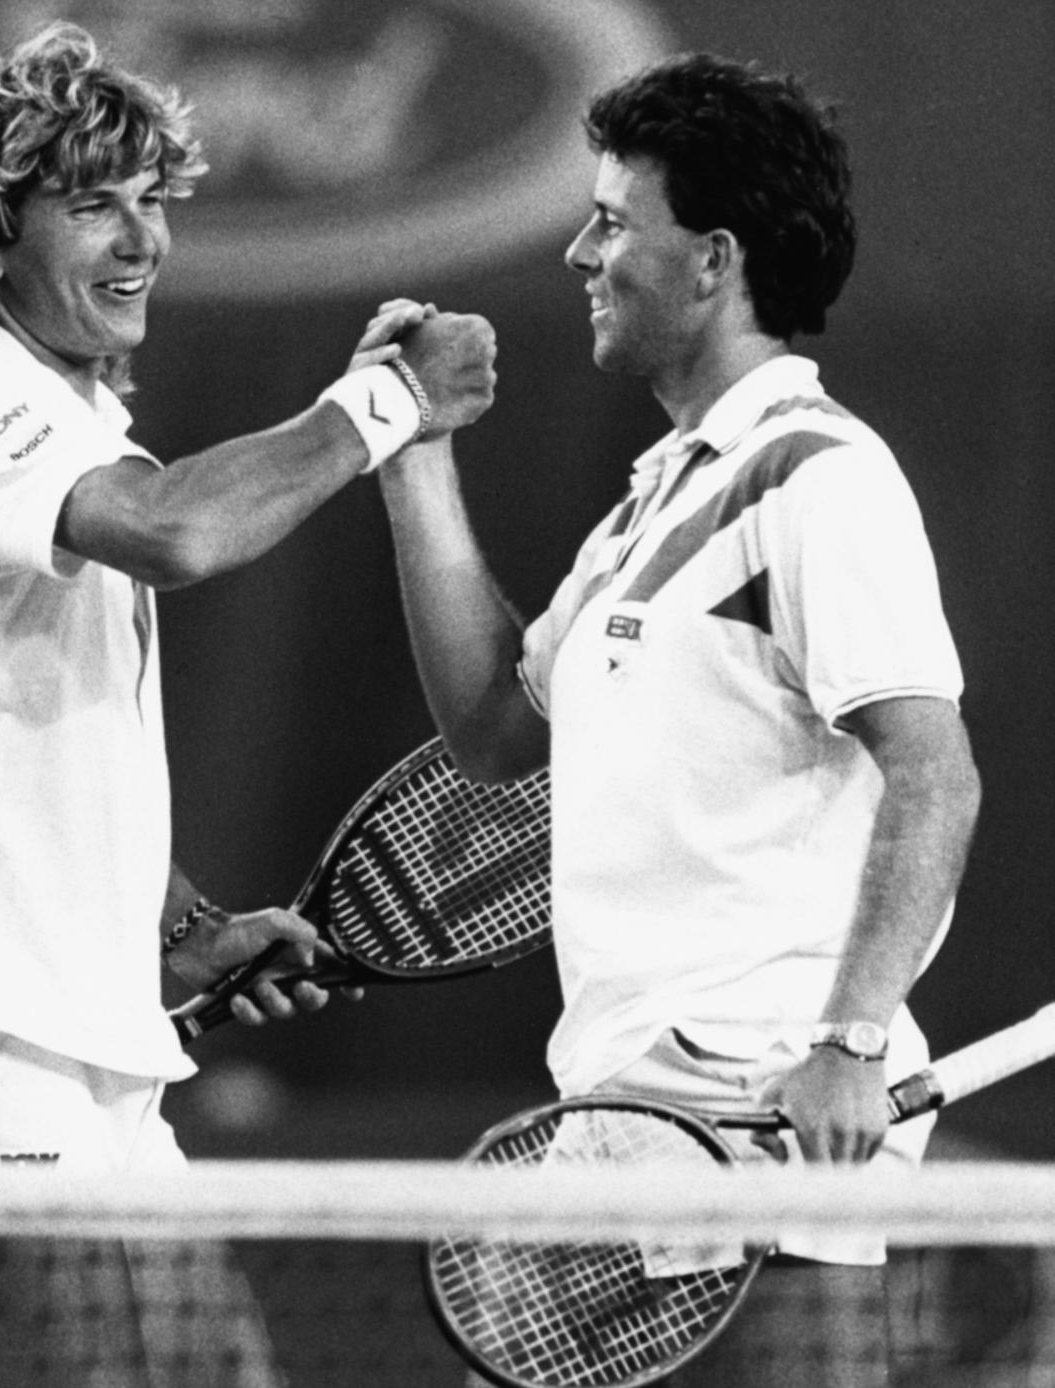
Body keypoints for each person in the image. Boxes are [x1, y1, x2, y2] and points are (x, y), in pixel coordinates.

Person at [0, 22, 495, 1388]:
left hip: (93, 1061)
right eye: (91, 206)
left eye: (150, 203)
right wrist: (380, 404)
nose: (140, 243)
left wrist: (178, 930)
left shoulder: (60, 422)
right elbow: (178, 532)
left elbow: (27, 741)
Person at [369, 53, 981, 1387]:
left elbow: (932, 779)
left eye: (610, 222)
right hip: (624, 1094)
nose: (583, 251)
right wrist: (415, 455)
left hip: (767, 1101)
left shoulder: (816, 480)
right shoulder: (653, 501)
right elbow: (489, 729)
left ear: (710, 261)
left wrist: (849, 1042)